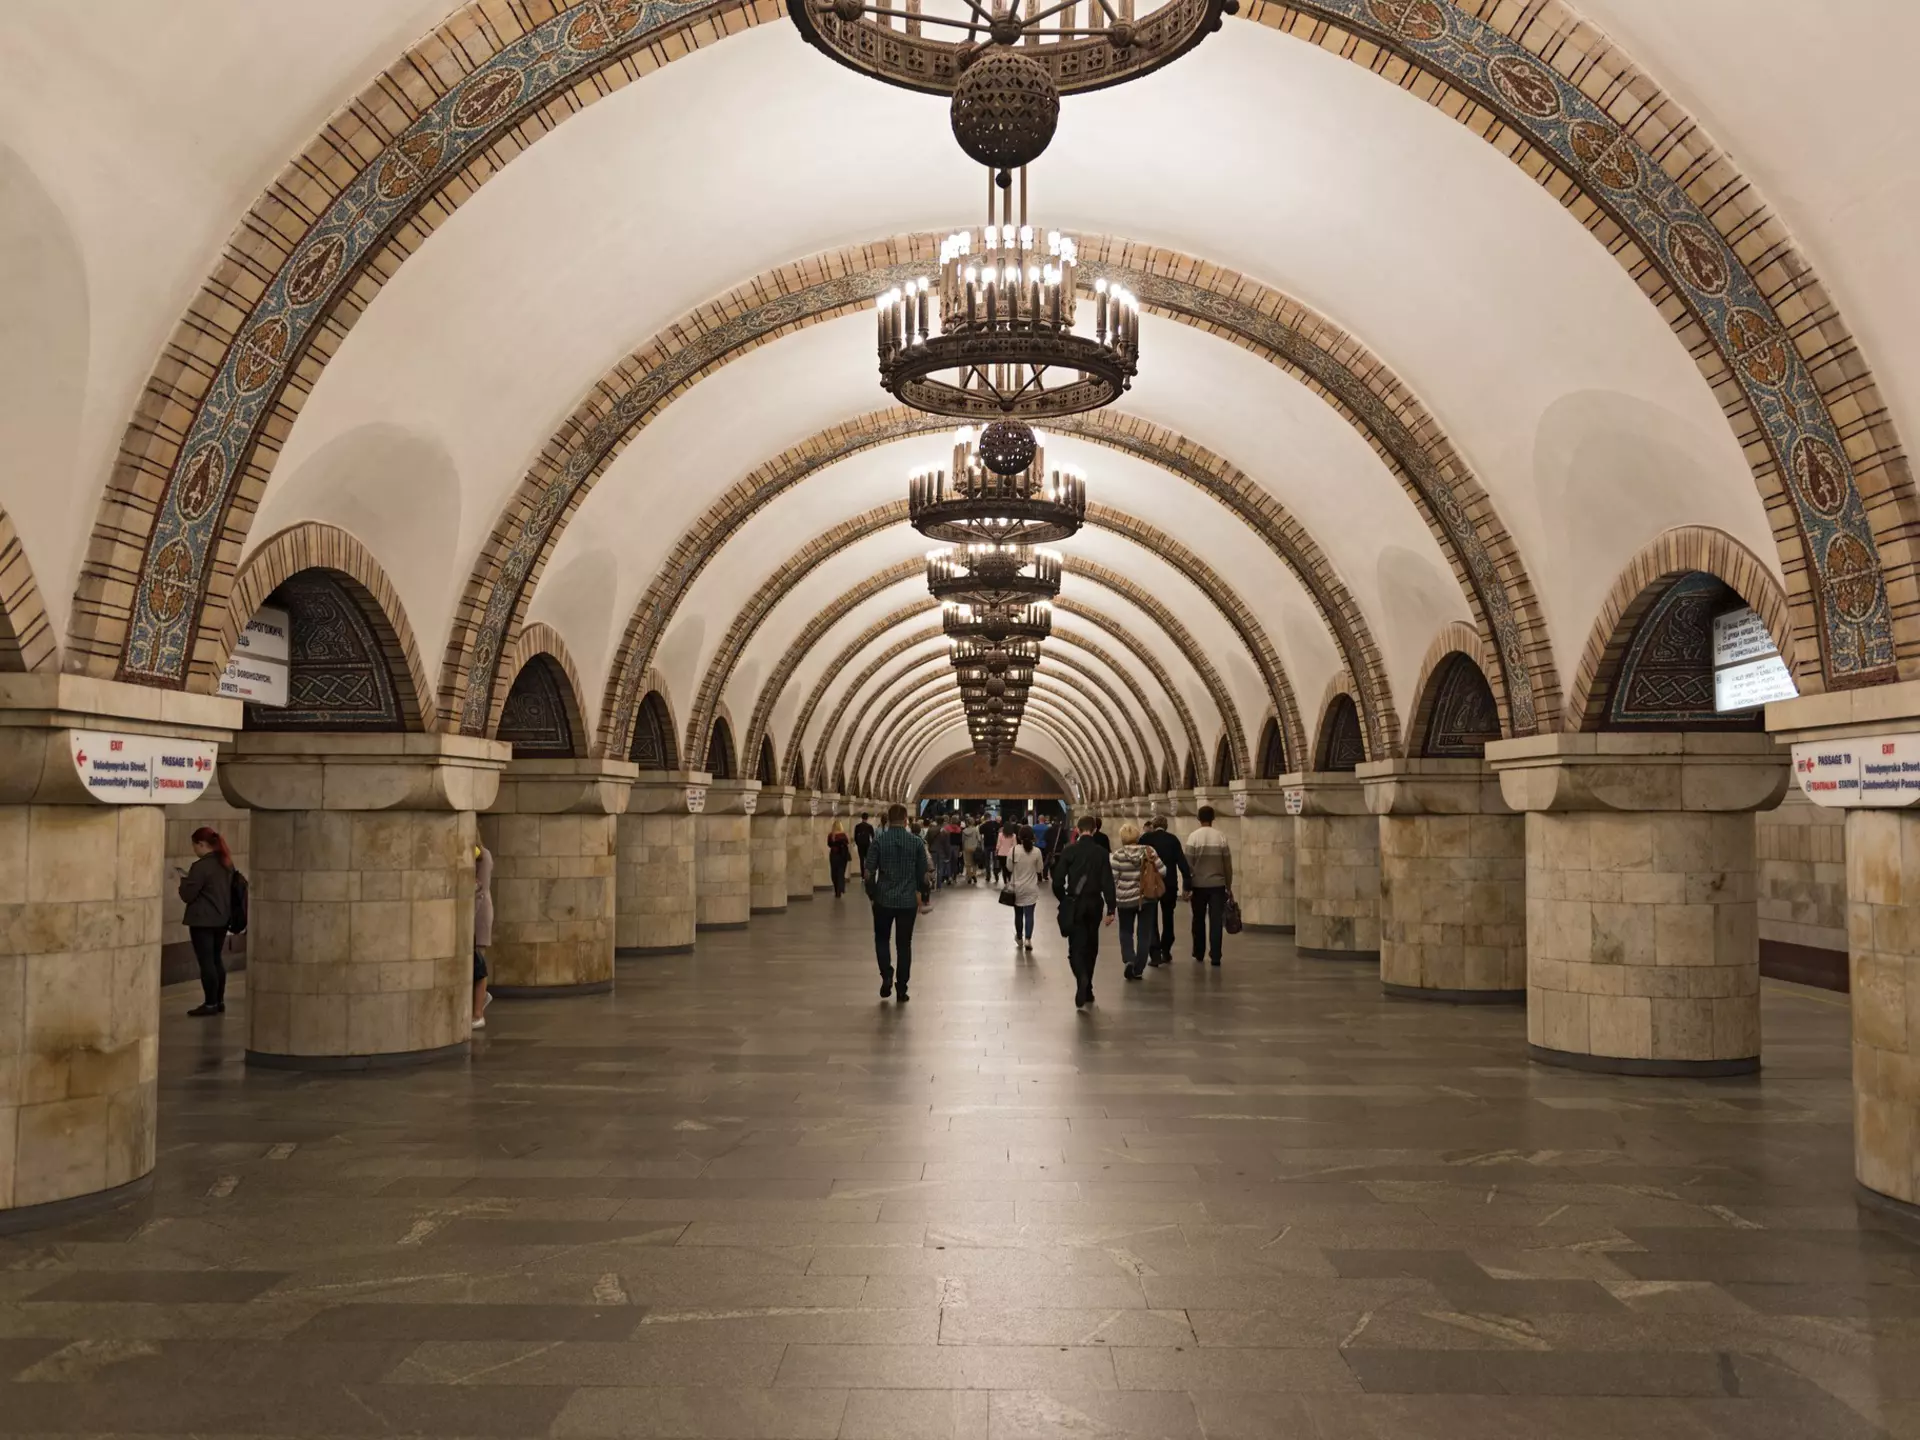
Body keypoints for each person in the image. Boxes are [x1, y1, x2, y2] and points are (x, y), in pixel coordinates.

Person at [866, 803, 933, 1003]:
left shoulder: (879, 841)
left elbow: (868, 873)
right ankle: (902, 987)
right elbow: (924, 875)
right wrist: (923, 895)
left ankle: (886, 974)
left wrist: (872, 894)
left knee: (881, 939)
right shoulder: (916, 842)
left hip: (883, 899)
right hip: (907, 902)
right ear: (906, 820)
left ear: (888, 818)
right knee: (904, 944)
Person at [1051, 815, 1116, 1009]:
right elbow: (1107, 882)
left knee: (1076, 947)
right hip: (1095, 903)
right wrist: (1111, 908)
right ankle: (1088, 989)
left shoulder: (1070, 850)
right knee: (1091, 945)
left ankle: (1081, 978)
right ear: (1095, 830)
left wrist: (1064, 899)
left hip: (1076, 904)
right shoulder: (1102, 853)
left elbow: (1057, 881)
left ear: (1077, 830)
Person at [177, 826, 234, 1017]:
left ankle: (209, 1003)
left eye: (194, 846)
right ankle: (218, 1001)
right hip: (221, 919)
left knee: (206, 962)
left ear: (201, 844)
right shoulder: (226, 863)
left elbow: (188, 895)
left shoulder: (200, 867)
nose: (194, 850)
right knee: (217, 959)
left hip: (202, 921)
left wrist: (184, 880)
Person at [1111, 822, 1164, 981]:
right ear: (1137, 836)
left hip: (1124, 898)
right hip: (1146, 897)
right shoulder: (1149, 851)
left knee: (1126, 931)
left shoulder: (1118, 855)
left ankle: (1129, 959)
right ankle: (1139, 968)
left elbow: (1112, 878)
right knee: (1144, 933)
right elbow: (1163, 871)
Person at [1186, 805, 1234, 967]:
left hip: (1198, 885)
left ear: (1198, 819)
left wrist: (1187, 886)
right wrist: (1228, 885)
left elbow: (1188, 864)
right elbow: (1227, 864)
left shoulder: (1193, 837)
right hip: (1217, 886)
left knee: (1198, 919)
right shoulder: (1220, 837)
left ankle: (1198, 952)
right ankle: (1215, 955)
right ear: (1213, 819)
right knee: (1215, 921)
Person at [1140, 817, 1192, 967]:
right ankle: (1166, 949)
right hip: (1169, 884)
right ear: (1166, 826)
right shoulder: (1173, 840)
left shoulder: (1145, 838)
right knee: (1168, 916)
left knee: (1151, 918)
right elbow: (1182, 862)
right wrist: (1187, 884)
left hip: (1150, 884)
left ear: (1153, 826)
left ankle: (1155, 953)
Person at [1006, 823, 1048, 951]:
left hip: (1017, 887)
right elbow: (1040, 868)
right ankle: (1028, 939)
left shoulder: (1013, 850)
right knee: (1029, 914)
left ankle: (1019, 937)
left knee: (1018, 914)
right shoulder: (1037, 851)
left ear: (1019, 836)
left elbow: (1009, 867)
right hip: (1031, 888)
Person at [473, 843, 495, 1028]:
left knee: (479, 961)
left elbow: (481, 888)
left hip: (480, 913)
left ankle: (478, 1013)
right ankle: (479, 1000)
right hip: (472, 911)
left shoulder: (484, 855)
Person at [827, 821, 852, 898]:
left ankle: (836, 889)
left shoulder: (831, 835)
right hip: (842, 856)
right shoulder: (843, 835)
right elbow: (847, 843)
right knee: (841, 873)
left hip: (834, 855)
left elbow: (829, 844)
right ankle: (840, 889)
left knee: (834, 872)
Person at [853, 813, 875, 877]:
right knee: (867, 860)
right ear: (867, 818)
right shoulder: (869, 826)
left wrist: (858, 843)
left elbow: (855, 837)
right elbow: (873, 837)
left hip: (860, 845)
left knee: (861, 860)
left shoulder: (858, 826)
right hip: (867, 844)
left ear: (861, 818)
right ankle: (867, 873)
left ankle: (862, 875)